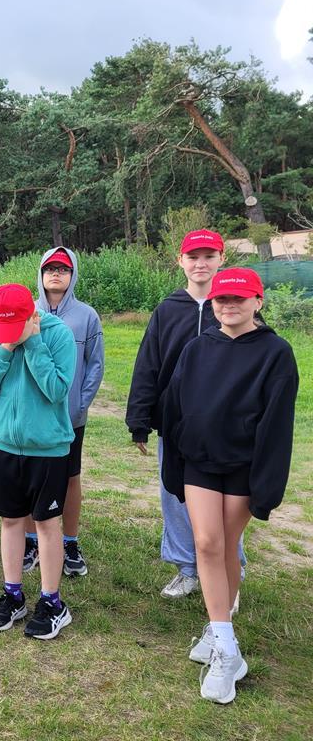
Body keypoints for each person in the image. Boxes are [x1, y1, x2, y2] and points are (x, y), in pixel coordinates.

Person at [161, 268, 298, 703]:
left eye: (239, 298)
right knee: (206, 542)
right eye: (222, 299)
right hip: (200, 462)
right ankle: (225, 645)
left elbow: (277, 426)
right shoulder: (197, 348)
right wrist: (173, 462)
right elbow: (175, 405)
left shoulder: (276, 353)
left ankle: (220, 632)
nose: (229, 305)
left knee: (226, 544)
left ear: (258, 301)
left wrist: (267, 485)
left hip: (243, 467)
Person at [126, 229, 246, 601]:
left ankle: (231, 568)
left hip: (224, 426)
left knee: (226, 501)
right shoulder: (168, 309)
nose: (200, 264)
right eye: (193, 257)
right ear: (180, 261)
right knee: (174, 495)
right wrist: (139, 420)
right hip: (176, 424)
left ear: (222, 258)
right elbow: (148, 364)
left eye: (209, 256)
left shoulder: (235, 306)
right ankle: (187, 568)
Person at [0, 283, 76, 639]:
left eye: (13, 327)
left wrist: (33, 343)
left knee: (46, 523)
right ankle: (13, 594)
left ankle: (52, 602)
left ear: (31, 315)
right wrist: (3, 349)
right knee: (11, 520)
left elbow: (57, 389)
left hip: (47, 448)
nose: (6, 334)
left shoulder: (58, 335)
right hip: (5, 446)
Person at [23, 248, 104, 576]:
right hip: (32, 416)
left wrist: (80, 404)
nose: (56, 274)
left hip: (69, 417)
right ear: (41, 274)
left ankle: (70, 542)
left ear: (73, 275)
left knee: (70, 478)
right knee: (30, 480)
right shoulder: (26, 311)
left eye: (63, 269)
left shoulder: (86, 316)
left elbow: (95, 365)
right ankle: (30, 540)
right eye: (50, 268)